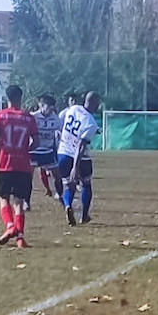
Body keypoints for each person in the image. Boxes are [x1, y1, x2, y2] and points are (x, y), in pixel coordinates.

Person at [0, 84, 38, 247]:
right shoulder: (29, 118)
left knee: (4, 199)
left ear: (7, 98)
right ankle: (20, 238)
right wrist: (25, 149)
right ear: (20, 97)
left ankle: (10, 226)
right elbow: (36, 142)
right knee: (19, 201)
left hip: (5, 163)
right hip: (22, 164)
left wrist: (0, 146)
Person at [58, 91, 101, 226]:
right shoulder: (91, 123)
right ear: (95, 103)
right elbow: (81, 147)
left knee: (67, 185)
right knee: (86, 185)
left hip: (63, 153)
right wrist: (75, 168)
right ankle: (84, 216)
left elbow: (62, 123)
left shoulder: (73, 109)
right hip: (80, 158)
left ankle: (67, 205)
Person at [29, 94, 63, 199]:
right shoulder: (33, 117)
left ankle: (59, 194)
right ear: (41, 105)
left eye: (52, 107)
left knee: (57, 175)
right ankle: (26, 201)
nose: (50, 110)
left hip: (48, 151)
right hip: (34, 151)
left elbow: (62, 132)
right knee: (28, 177)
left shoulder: (56, 119)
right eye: (48, 106)